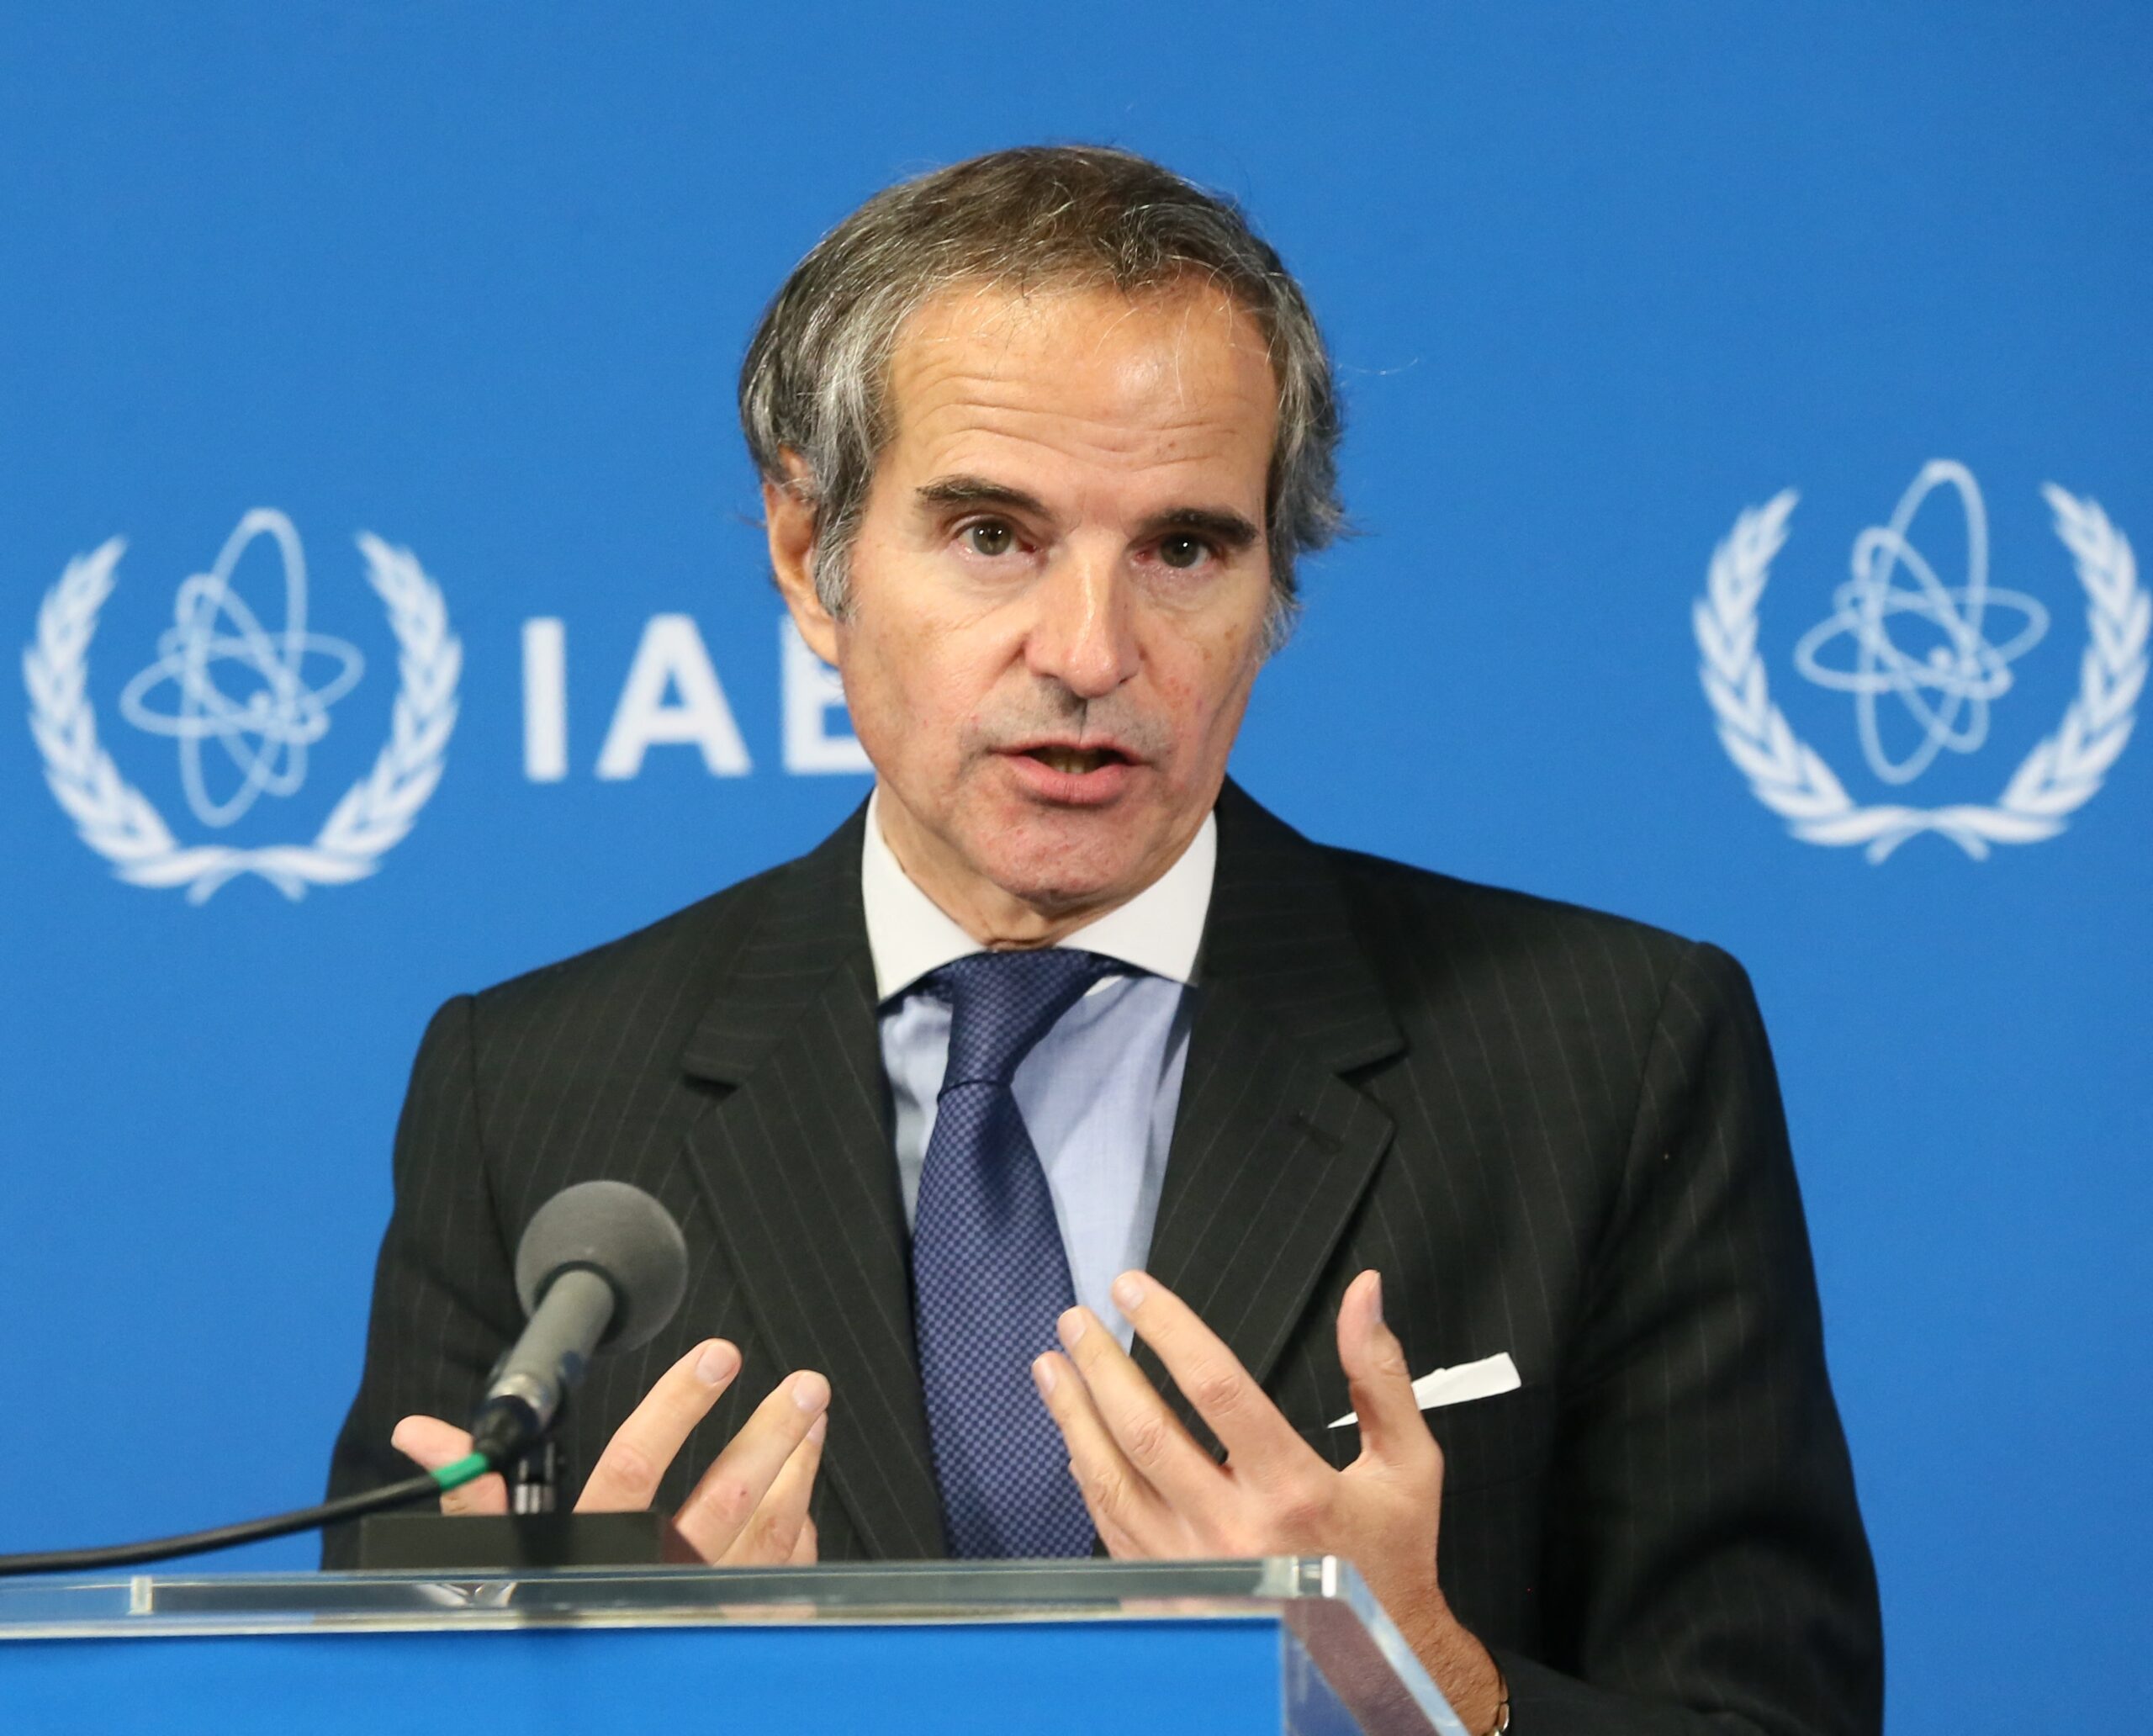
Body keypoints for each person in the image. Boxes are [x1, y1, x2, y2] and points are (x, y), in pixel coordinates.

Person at [327, 145, 1882, 1733]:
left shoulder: (1610, 1055)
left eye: (1183, 549)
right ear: (811, 554)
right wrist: (583, 1713)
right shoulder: (532, 1090)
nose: (1089, 652)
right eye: (993, 534)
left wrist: (1427, 1687)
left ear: (1273, 581)